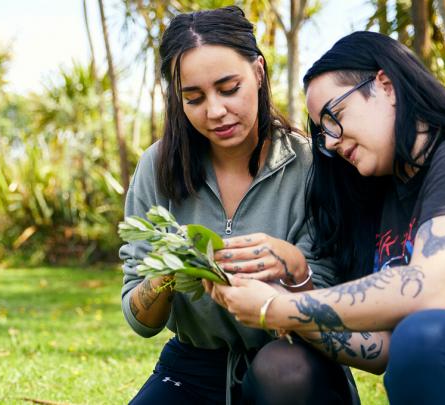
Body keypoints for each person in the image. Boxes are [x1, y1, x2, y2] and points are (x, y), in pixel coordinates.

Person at [205, 31, 445, 404]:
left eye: (335, 116)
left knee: (425, 338)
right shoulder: (384, 197)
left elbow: (433, 290)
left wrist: (275, 308)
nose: (330, 141)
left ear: (386, 85)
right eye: (321, 131)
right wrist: (287, 291)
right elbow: (381, 348)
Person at [120, 6, 358, 404]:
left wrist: (290, 267)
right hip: (193, 366)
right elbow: (139, 319)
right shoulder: (157, 167)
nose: (215, 111)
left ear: (259, 73)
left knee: (283, 372)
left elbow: (334, 299)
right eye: (193, 98)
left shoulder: (312, 165)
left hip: (295, 365)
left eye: (229, 88)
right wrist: (167, 270)